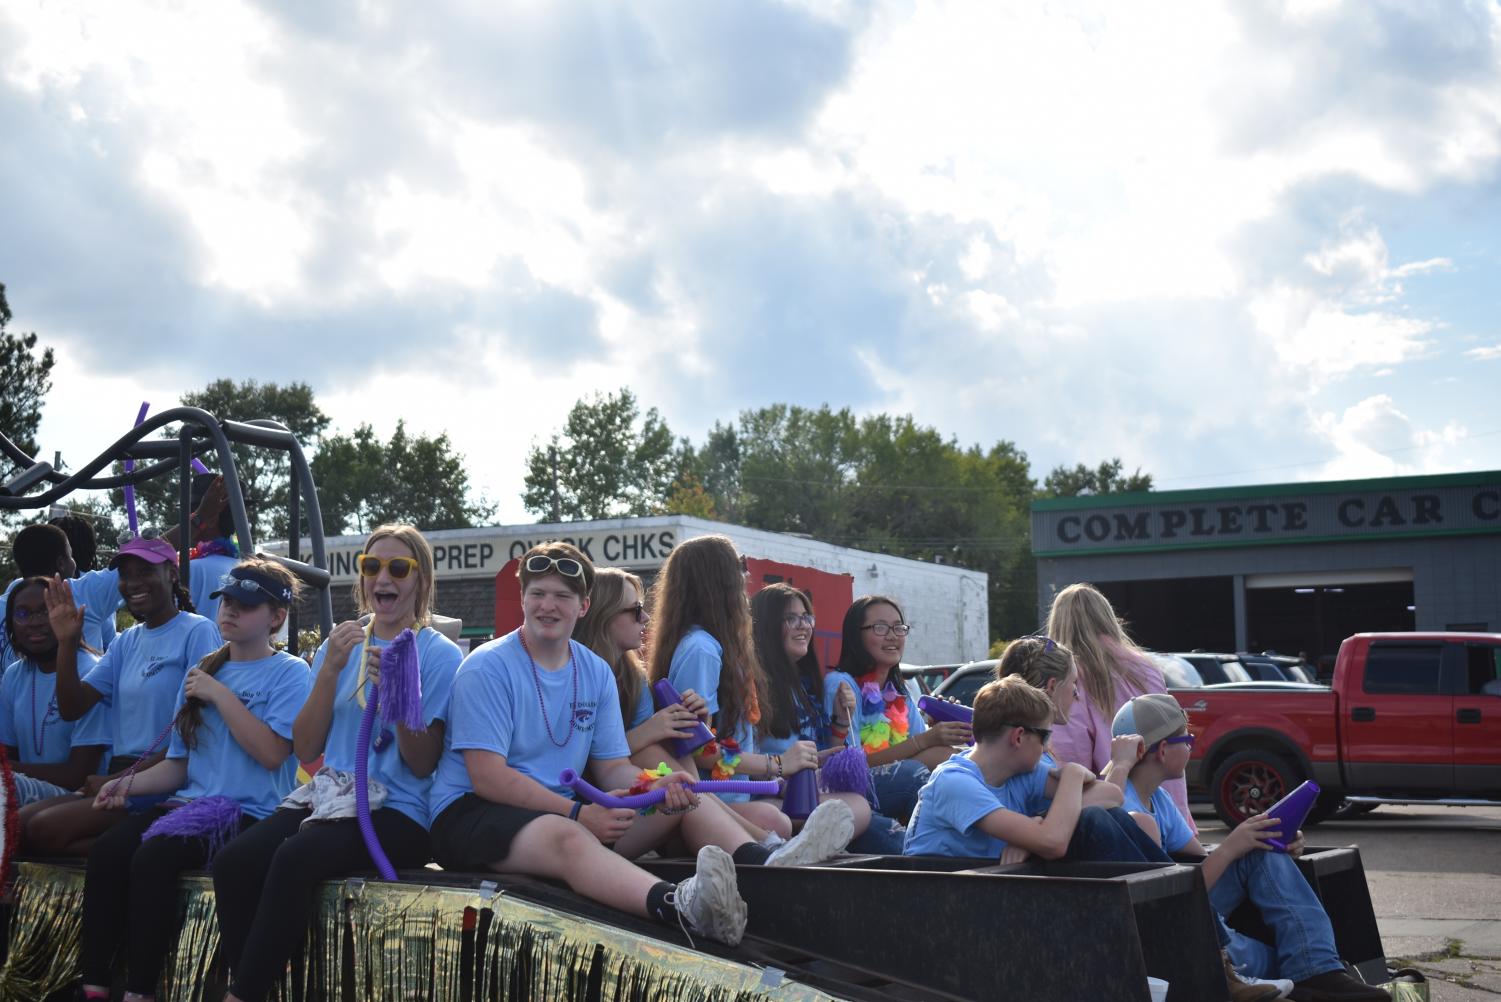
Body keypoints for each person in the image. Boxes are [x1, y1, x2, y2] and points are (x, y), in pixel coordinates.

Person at [427, 542, 840, 950]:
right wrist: (578, 812)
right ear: (522, 599)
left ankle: (769, 866)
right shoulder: (486, 666)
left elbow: (613, 768)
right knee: (566, 835)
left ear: (583, 605)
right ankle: (683, 908)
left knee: (682, 792)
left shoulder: (594, 671)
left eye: (562, 596)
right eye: (537, 594)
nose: (547, 606)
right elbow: (488, 778)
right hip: (471, 814)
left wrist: (659, 785)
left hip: (566, 811)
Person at [212, 525, 462, 1002]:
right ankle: (257, 986)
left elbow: (423, 763)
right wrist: (327, 670)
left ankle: (244, 993)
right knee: (233, 862)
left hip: (400, 811)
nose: (382, 577)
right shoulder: (338, 644)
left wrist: (401, 698)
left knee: (292, 858)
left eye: (397, 568)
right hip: (330, 797)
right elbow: (306, 748)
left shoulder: (438, 653)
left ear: (420, 580)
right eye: (372, 567)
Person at [75, 558, 312, 1002]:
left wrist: (219, 694)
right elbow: (178, 766)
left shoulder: (290, 673)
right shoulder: (205, 670)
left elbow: (272, 754)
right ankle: (94, 984)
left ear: (276, 617)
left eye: (246, 604)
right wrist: (124, 784)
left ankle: (140, 990)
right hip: (187, 805)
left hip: (246, 813)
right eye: (227, 601)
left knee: (153, 858)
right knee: (108, 851)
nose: (230, 611)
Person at [1112, 694, 1392, 1002]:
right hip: (1163, 925)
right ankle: (1316, 975)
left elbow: (1196, 861)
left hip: (1184, 906)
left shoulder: (1159, 798)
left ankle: (1320, 972)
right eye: (1187, 738)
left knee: (1259, 847)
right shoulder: (1132, 812)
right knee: (1270, 958)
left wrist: (1263, 839)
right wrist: (1233, 846)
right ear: (1163, 751)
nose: (1192, 746)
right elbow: (1166, 899)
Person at [26, 537, 221, 856]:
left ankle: (134, 850)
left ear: (172, 573)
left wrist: (118, 779)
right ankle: (123, 851)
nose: (132, 583)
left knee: (42, 830)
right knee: (17, 825)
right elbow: (72, 707)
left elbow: (194, 731)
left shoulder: (197, 631)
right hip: (119, 775)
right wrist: (66, 643)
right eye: (126, 574)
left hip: (163, 779)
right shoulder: (125, 640)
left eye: (144, 571)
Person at [902, 676, 1160, 863]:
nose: (1047, 748)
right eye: (1045, 737)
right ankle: (1168, 910)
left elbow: (1111, 795)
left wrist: (1037, 827)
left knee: (1106, 816)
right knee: (1090, 822)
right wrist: (1072, 772)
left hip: (987, 890)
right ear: (1018, 737)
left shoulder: (1017, 771)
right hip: (943, 905)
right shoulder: (954, 782)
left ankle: (1167, 903)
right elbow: (1053, 843)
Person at [645, 536, 797, 839]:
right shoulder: (701, 649)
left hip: (732, 798)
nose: (747, 576)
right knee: (776, 821)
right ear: (717, 581)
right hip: (703, 805)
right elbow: (699, 751)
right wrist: (777, 764)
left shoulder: (714, 644)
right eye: (738, 567)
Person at [1045, 583, 1196, 836]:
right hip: (1171, 810)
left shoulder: (1071, 680)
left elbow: (1070, 760)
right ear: (1107, 617)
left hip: (1119, 819)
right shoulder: (1145, 667)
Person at [749, 583, 874, 844]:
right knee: (868, 813)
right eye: (791, 619)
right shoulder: (753, 684)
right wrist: (783, 772)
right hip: (769, 801)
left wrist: (841, 720)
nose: (803, 626)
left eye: (806, 618)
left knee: (870, 812)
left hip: (807, 794)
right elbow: (737, 762)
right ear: (767, 626)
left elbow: (810, 758)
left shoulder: (803, 683)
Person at [825, 595, 968, 822]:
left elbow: (924, 750)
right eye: (880, 628)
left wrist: (941, 732)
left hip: (893, 787)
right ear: (856, 636)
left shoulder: (898, 691)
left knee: (954, 759)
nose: (892, 636)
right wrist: (926, 740)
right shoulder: (841, 684)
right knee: (929, 767)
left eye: (898, 628)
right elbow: (850, 768)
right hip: (849, 796)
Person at [1, 577, 109, 808]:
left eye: (45, 611)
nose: (35, 622)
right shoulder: (13, 675)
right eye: (22, 614)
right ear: (10, 625)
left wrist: (6, 770)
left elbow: (77, 775)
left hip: (79, 797)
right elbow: (8, 753)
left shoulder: (92, 672)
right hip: (27, 791)